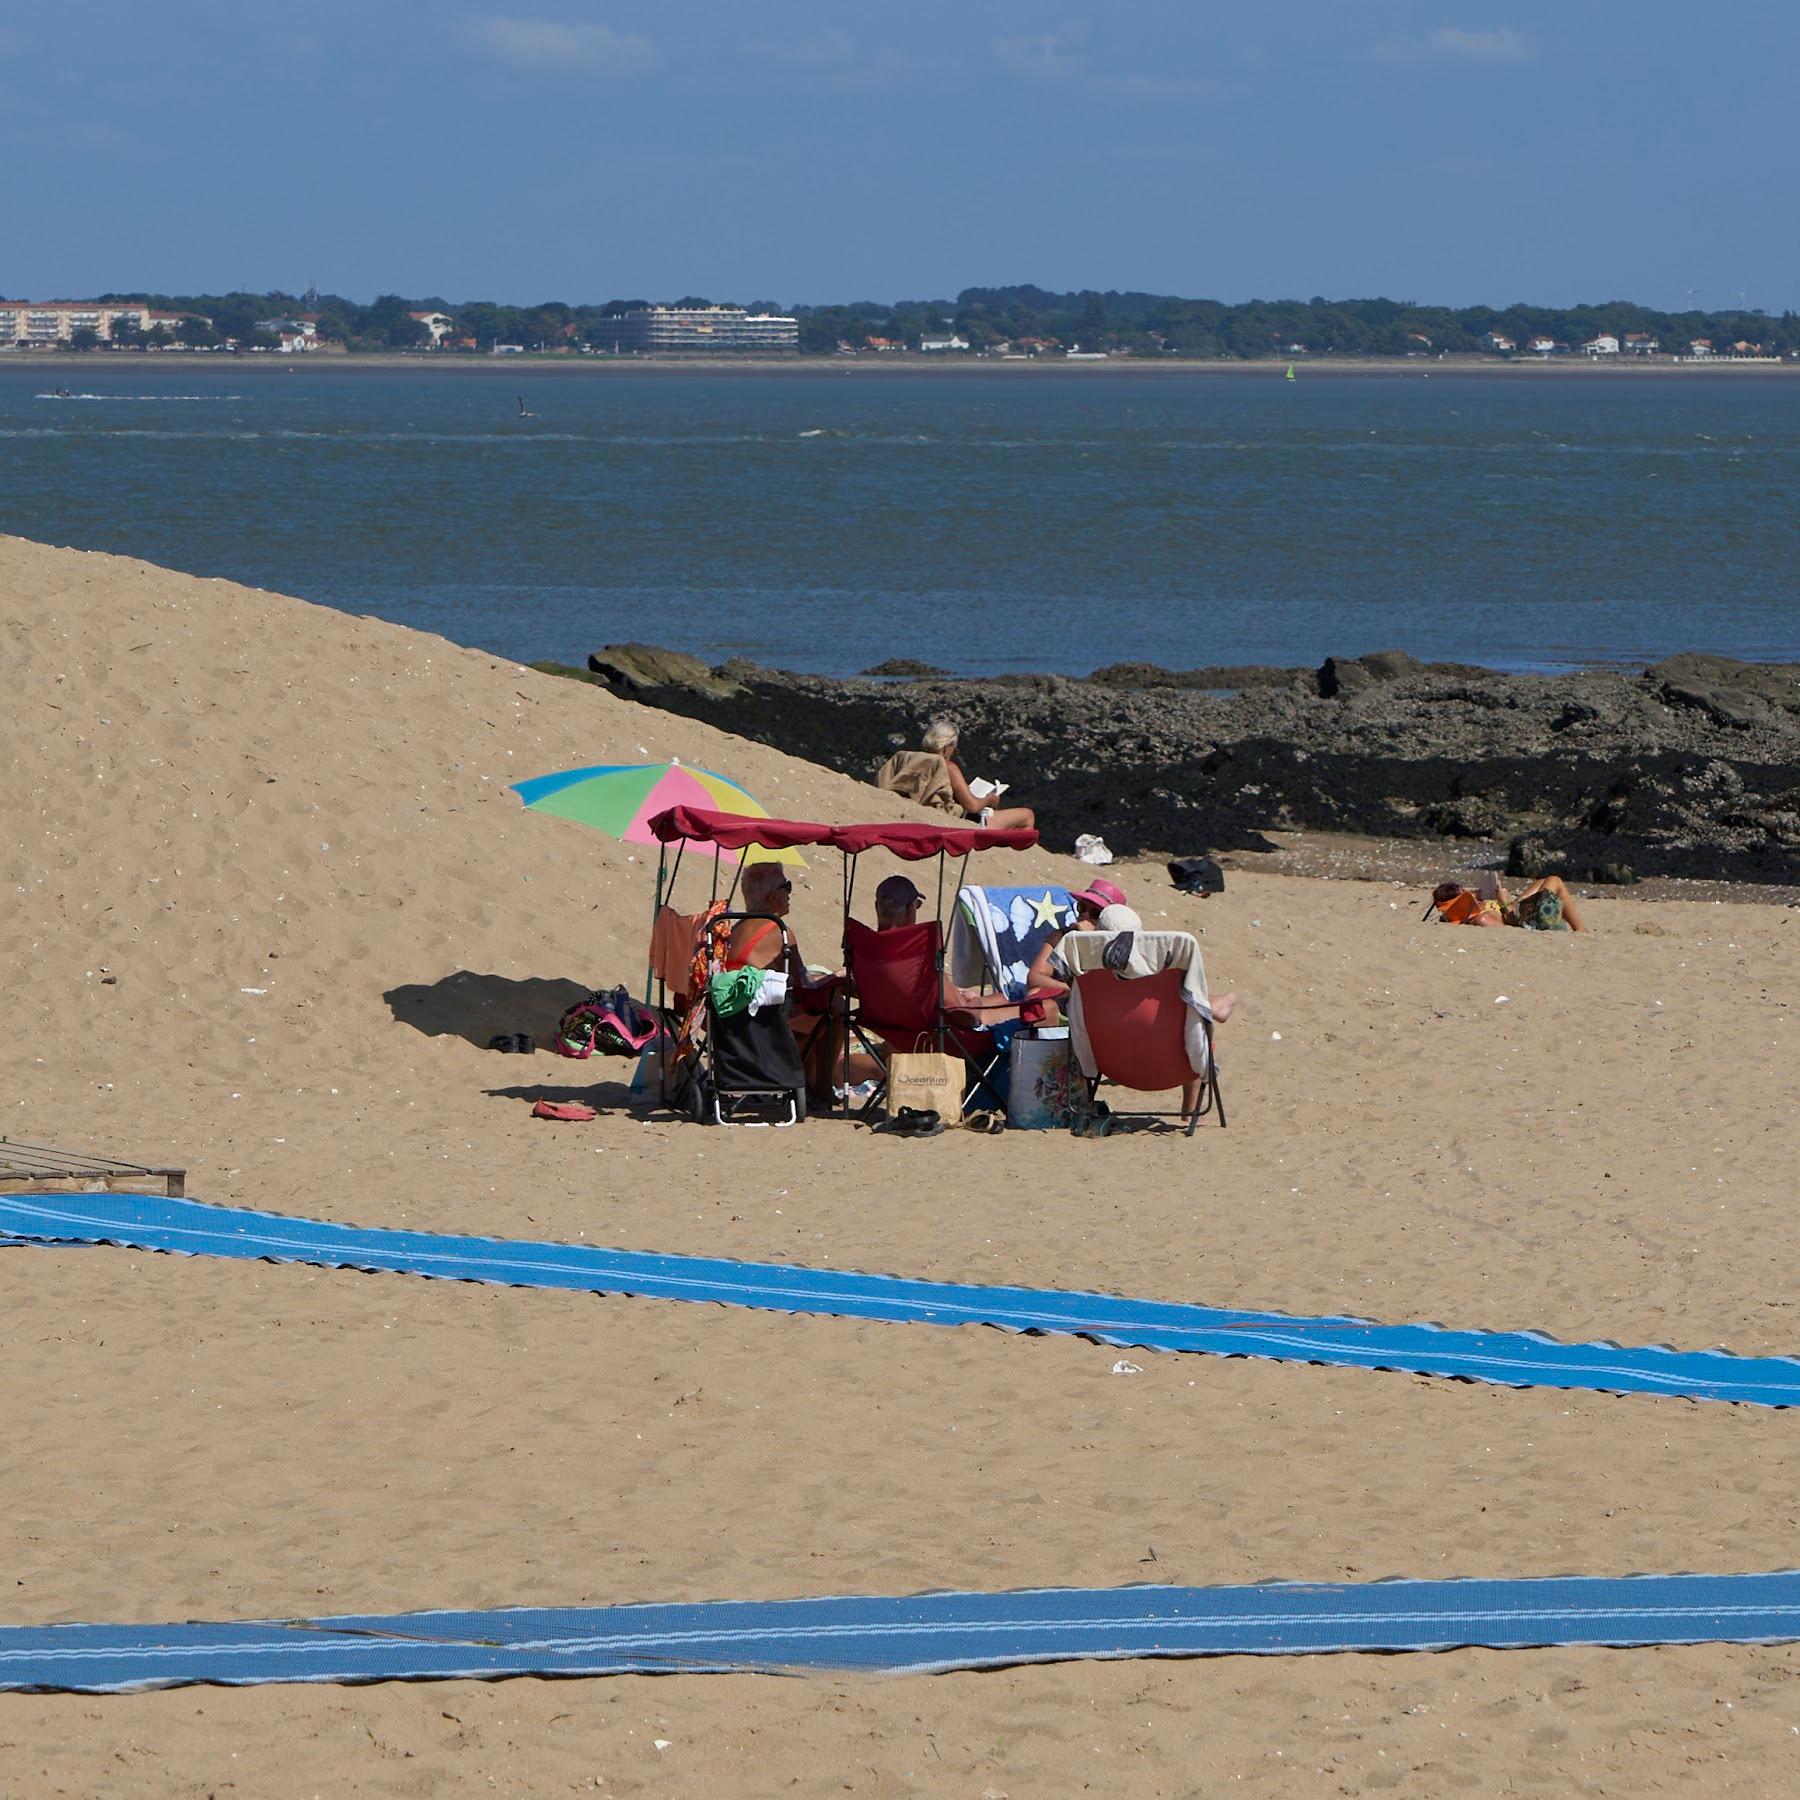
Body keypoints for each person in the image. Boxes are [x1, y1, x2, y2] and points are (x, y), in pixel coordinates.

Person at [725, 861, 845, 1103]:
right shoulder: (778, 931)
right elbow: (804, 988)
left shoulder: (735, 928)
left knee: (813, 1012)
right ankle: (821, 1091)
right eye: (786, 887)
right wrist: (837, 977)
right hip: (766, 1030)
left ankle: (809, 1084)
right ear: (771, 896)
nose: (790, 893)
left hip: (733, 1025)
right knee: (835, 1008)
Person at [1023, 876, 1126, 1014]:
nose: (1085, 915)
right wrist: (1075, 990)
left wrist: (1090, 942)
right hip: (1067, 1001)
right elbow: (1035, 978)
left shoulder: (1117, 948)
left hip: (1098, 1009)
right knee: (1035, 994)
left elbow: (1104, 990)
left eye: (1095, 913)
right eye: (1082, 907)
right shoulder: (1061, 936)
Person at [920, 719, 1036, 832]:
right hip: (964, 820)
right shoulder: (948, 767)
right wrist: (989, 799)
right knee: (1027, 815)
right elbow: (973, 806)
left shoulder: (916, 760)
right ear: (947, 746)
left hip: (932, 813)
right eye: (954, 745)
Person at [1429, 873, 1589, 933]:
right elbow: (1514, 927)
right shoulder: (1481, 919)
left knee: (1543, 881)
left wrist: (1483, 894)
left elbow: (1447, 915)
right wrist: (1503, 902)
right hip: (1524, 918)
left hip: (1515, 908)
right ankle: (1580, 929)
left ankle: (1580, 928)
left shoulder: (1470, 911)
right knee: (1554, 881)